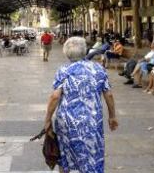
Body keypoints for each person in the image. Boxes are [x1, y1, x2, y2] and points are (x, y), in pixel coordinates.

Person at [44, 37, 118, 173]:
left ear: (66, 53)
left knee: (65, 153)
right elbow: (109, 94)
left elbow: (55, 96)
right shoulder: (98, 69)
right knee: (93, 154)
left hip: (67, 122)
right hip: (92, 121)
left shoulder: (64, 70)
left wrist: (48, 119)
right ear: (85, 51)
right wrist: (112, 116)